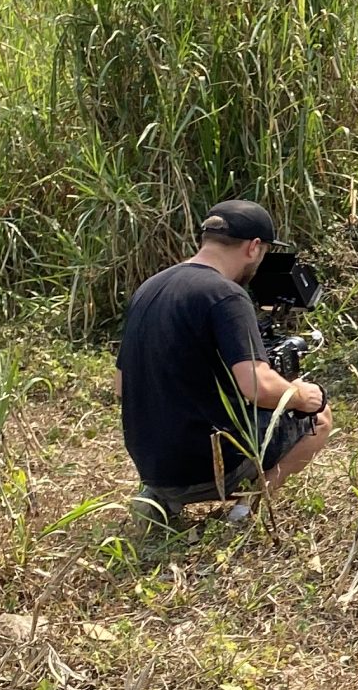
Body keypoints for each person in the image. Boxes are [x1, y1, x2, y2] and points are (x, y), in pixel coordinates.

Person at [118, 199, 332, 527]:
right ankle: (244, 510)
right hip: (210, 467)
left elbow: (121, 385)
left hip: (152, 465)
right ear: (254, 247)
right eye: (263, 254)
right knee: (319, 417)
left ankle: (159, 499)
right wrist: (304, 394)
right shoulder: (226, 295)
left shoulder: (149, 288)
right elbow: (257, 386)